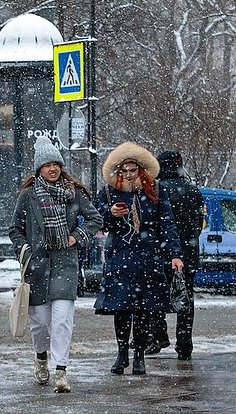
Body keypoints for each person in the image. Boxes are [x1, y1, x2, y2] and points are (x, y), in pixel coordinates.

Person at [8, 136, 102, 393]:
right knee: (39, 323)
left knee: (62, 319)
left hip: (65, 265)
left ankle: (61, 370)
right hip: (37, 267)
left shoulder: (73, 194)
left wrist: (76, 237)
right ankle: (41, 357)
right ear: (39, 168)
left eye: (56, 164)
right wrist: (23, 249)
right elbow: (15, 229)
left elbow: (95, 220)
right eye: (47, 165)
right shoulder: (28, 196)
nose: (53, 169)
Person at [93, 142, 184, 376]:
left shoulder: (155, 189)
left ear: (141, 170)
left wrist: (175, 254)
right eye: (124, 170)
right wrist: (110, 214)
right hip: (120, 255)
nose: (129, 174)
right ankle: (122, 352)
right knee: (121, 308)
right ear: (118, 171)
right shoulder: (108, 191)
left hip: (148, 257)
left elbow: (167, 223)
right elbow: (96, 221)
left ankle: (139, 356)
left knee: (145, 309)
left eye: (133, 169)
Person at [145, 151, 204, 360]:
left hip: (160, 253)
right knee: (185, 299)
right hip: (187, 255)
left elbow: (151, 224)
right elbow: (198, 224)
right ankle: (185, 343)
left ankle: (158, 335)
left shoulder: (156, 190)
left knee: (156, 296)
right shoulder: (193, 191)